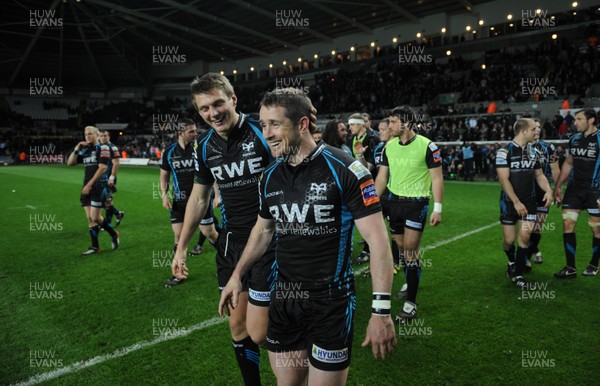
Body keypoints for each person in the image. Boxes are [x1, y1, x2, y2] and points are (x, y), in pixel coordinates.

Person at [219, 88, 396, 385]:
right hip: (285, 299)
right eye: (263, 125)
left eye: (275, 124)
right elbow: (263, 230)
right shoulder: (269, 176)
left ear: (302, 124)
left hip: (331, 304)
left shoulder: (347, 171)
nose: (267, 133)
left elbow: (379, 242)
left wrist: (381, 311)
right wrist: (238, 275)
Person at [170, 73, 275, 386]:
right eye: (204, 109)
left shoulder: (263, 130)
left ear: (233, 99)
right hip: (230, 243)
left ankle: (305, 361)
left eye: (218, 103)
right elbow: (199, 197)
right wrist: (182, 247)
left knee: (263, 330)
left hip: (271, 239)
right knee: (237, 327)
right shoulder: (204, 147)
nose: (212, 113)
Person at [375, 105, 444, 320]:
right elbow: (382, 177)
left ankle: (411, 303)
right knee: (403, 248)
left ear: (407, 123)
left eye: (394, 121)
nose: (389, 125)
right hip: (394, 203)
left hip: (417, 203)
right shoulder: (389, 146)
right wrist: (372, 201)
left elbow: (437, 178)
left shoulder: (428, 146)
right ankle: (411, 278)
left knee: (411, 250)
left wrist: (438, 208)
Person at [160, 119, 219, 287]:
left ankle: (228, 261)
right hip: (179, 201)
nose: (195, 134)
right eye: (191, 132)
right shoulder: (169, 152)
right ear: (181, 133)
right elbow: (164, 175)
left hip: (201, 199)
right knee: (178, 237)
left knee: (210, 233)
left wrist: (217, 195)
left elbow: (211, 173)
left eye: (195, 131)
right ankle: (179, 273)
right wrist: (164, 195)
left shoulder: (199, 149)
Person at [496, 118, 552, 288]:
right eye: (533, 128)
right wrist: (515, 202)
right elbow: (503, 180)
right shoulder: (504, 152)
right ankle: (512, 261)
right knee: (509, 240)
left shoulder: (534, 152)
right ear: (523, 131)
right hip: (509, 203)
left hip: (529, 202)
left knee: (525, 236)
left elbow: (539, 175)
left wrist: (548, 190)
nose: (537, 131)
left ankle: (518, 275)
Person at [554, 108, 600, 278]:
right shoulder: (574, 139)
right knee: (567, 226)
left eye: (579, 119)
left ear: (591, 120)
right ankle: (570, 268)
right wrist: (558, 186)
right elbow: (568, 163)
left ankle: (594, 263)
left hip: (596, 191)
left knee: (597, 230)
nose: (575, 122)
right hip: (574, 190)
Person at [67, 126, 120, 255]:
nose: (87, 136)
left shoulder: (104, 148)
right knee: (89, 219)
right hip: (86, 187)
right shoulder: (85, 149)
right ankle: (95, 247)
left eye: (90, 134)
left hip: (98, 187)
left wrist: (89, 185)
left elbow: (102, 168)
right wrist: (77, 148)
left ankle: (114, 234)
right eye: (85, 134)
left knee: (95, 217)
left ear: (97, 135)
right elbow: (70, 163)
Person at [348, 113, 380, 264]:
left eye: (353, 124)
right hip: (359, 183)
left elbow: (369, 167)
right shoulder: (353, 139)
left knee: (371, 219)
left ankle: (369, 252)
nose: (350, 127)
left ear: (361, 124)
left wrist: (360, 157)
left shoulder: (372, 139)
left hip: (371, 184)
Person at [528, 120, 560, 266]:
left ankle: (527, 256)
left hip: (543, 191)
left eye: (539, 127)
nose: (538, 129)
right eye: (534, 127)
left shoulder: (549, 148)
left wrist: (558, 188)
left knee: (538, 227)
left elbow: (555, 169)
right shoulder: (519, 147)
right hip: (525, 191)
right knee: (526, 227)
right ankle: (530, 254)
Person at [98, 130, 125, 227]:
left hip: (108, 178)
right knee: (103, 201)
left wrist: (112, 177)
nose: (103, 137)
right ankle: (118, 214)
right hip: (100, 178)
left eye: (105, 135)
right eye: (101, 135)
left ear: (109, 137)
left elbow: (116, 163)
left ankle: (107, 224)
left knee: (106, 201)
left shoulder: (112, 147)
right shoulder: (99, 147)